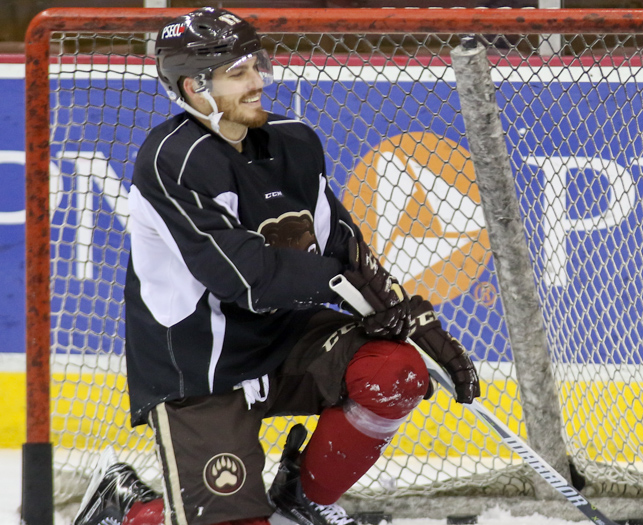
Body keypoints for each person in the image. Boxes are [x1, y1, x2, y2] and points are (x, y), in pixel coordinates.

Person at [73, 7, 481, 525]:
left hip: (288, 337)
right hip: (202, 362)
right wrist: (344, 287)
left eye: (256, 66)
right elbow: (247, 278)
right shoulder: (172, 160)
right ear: (195, 87)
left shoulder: (294, 141)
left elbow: (345, 246)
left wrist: (413, 323)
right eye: (239, 72)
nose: (258, 82)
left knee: (394, 371)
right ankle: (128, 510)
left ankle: (304, 500)